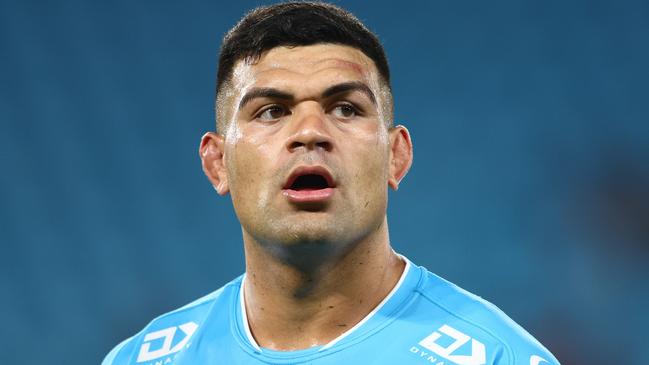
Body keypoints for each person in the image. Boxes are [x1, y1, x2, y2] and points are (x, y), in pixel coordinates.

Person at [102, 2, 560, 364]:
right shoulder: (144, 359)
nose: (310, 132)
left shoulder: (500, 358)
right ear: (217, 163)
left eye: (346, 108)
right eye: (272, 111)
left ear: (396, 156)